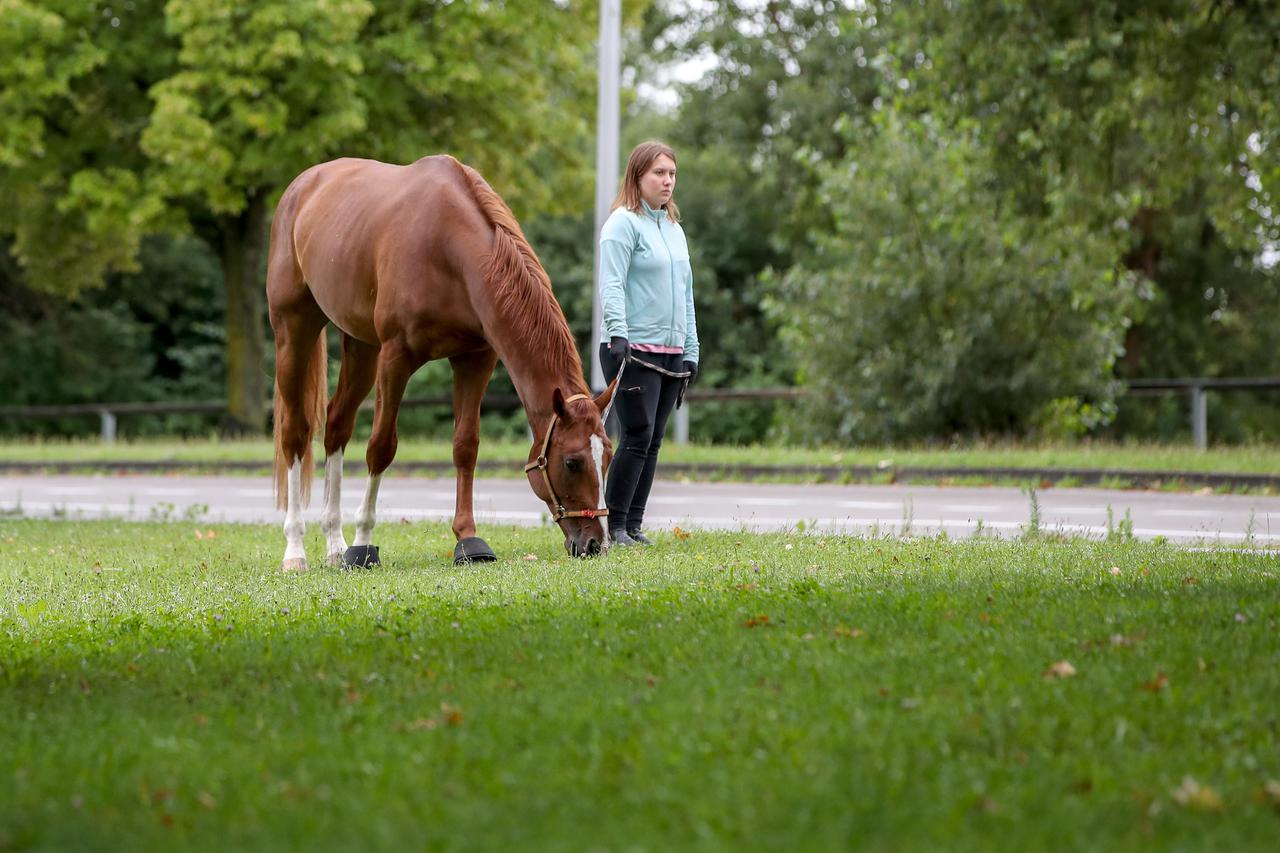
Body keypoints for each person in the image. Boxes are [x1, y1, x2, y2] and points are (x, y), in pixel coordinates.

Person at [598, 140, 700, 547]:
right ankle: (614, 526)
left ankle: (633, 526)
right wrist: (618, 333)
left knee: (653, 440)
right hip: (631, 348)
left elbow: (686, 293)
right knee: (636, 435)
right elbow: (611, 284)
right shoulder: (622, 224)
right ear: (637, 176)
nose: (667, 181)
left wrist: (690, 348)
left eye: (672, 173)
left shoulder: (674, 230)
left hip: (670, 352)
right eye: (659, 173)